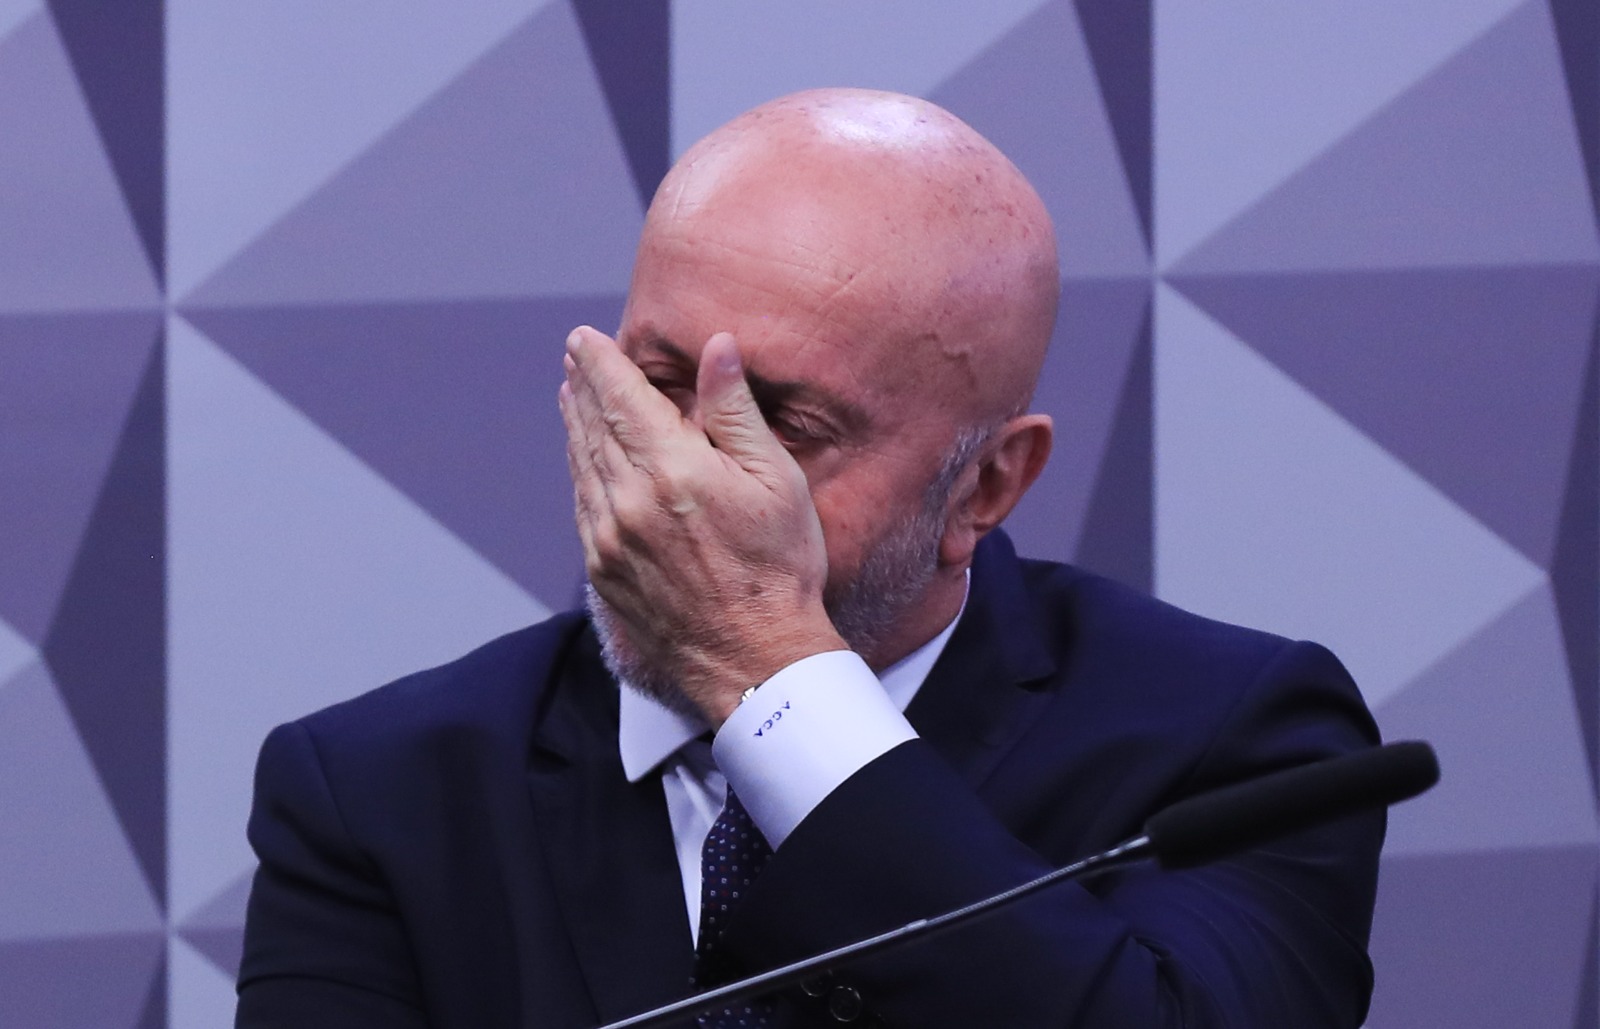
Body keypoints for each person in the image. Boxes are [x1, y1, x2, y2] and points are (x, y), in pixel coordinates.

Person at [236, 89, 1383, 1028]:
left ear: (984, 486)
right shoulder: (378, 791)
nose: (684, 476)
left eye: (779, 426)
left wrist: (768, 675)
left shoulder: (1233, 742)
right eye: (656, 382)